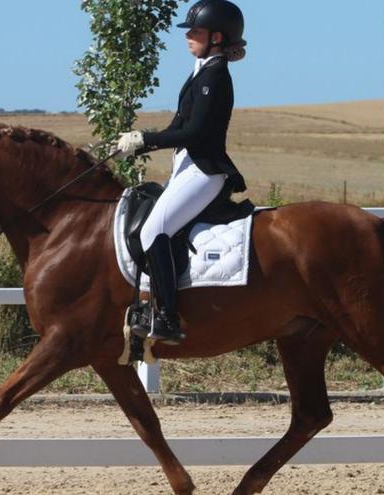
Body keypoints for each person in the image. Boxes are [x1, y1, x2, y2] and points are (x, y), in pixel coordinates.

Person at [116, 0, 248, 345]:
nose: (188, 36)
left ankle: (167, 317)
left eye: (196, 31)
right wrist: (138, 143)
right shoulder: (201, 68)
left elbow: (195, 133)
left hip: (205, 171)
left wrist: (146, 138)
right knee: (157, 227)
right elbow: (179, 123)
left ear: (217, 37)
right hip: (188, 167)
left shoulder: (216, 74)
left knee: (152, 231)